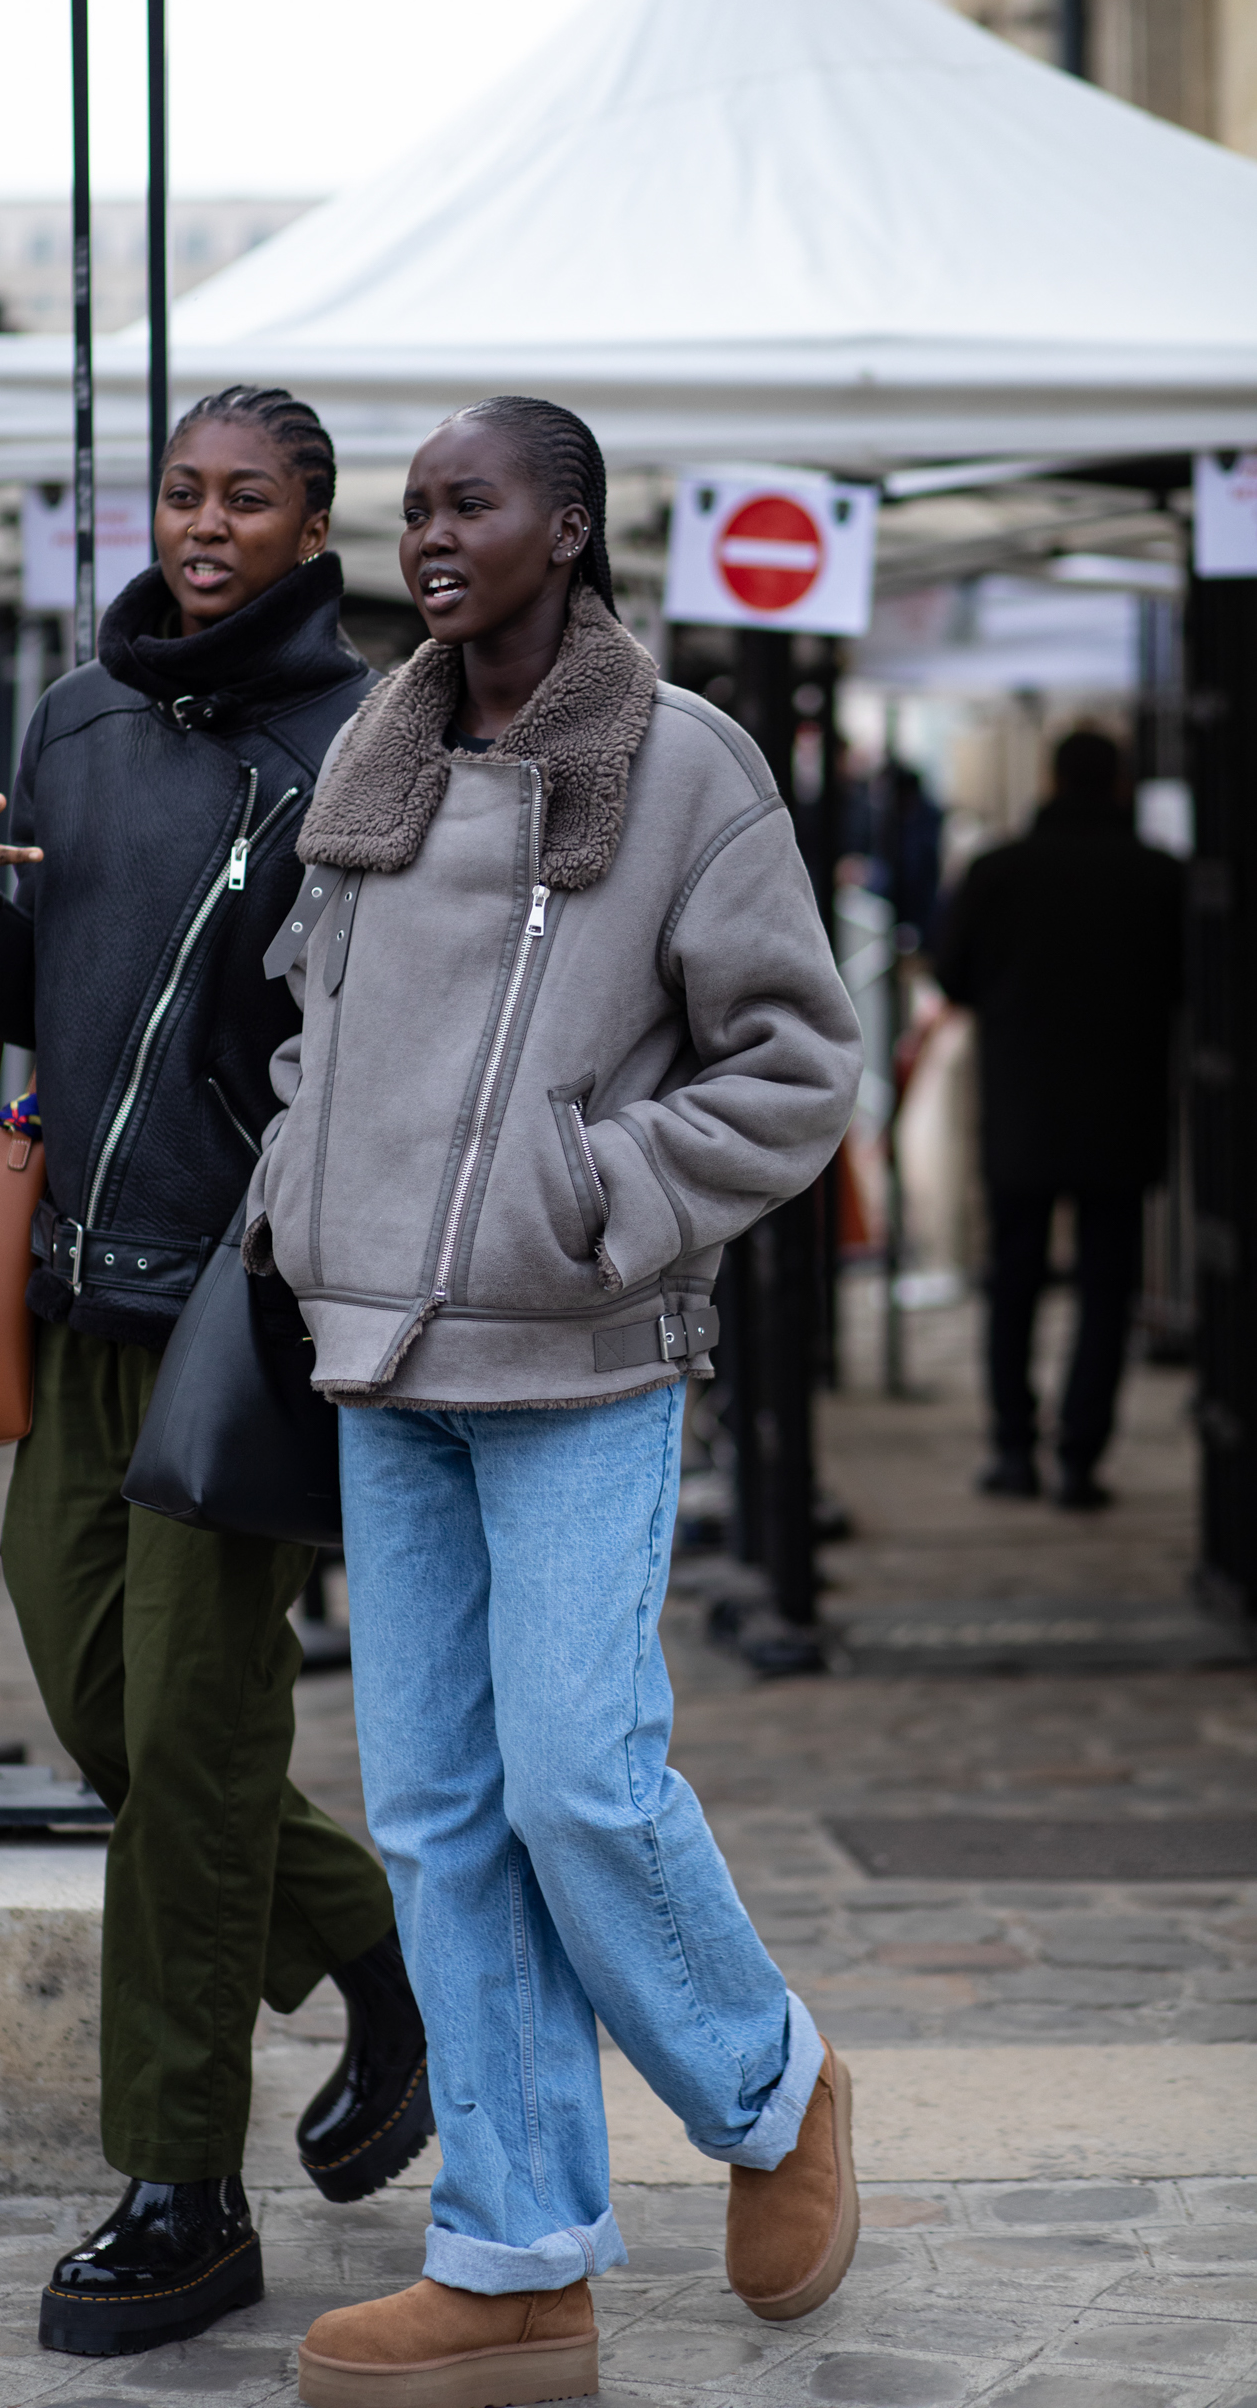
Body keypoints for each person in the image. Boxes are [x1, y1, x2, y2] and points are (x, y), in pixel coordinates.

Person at [242, 397, 866, 2406]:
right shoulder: (380, 743)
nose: (427, 533)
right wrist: (295, 1188)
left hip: (575, 1351)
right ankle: (514, 2253)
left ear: (565, 530)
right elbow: (305, 1015)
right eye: (410, 505)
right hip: (382, 1361)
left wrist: (590, 1192)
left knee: (572, 1777)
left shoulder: (679, 765)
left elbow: (791, 1063)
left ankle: (768, 2083)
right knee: (430, 1809)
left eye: (467, 502)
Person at [0, 387, 432, 2361]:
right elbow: (52, 985)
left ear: (309, 526)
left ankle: (179, 2191)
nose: (203, 526)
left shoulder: (371, 741)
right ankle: (382, 1954)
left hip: (247, 1313)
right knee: (105, 1701)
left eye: (247, 501)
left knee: (194, 1751)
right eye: (184, 493)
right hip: (67, 1298)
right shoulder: (73, 718)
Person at [936, 728, 1184, 1510]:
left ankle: (1012, 1447)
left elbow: (953, 976)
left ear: (1047, 779)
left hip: (1022, 1103)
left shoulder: (997, 872)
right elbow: (1190, 985)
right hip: (1122, 1106)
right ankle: (1080, 1455)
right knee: (1106, 1286)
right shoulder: (1159, 876)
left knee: (1012, 1278)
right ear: (1117, 785)